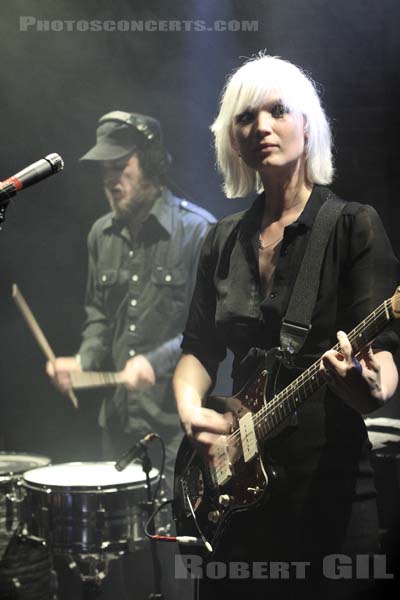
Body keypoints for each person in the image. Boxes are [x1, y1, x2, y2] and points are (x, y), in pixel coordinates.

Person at [173, 55, 399, 598]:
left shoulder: (352, 225)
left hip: (330, 506)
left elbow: (386, 349)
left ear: (308, 124)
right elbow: (198, 350)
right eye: (246, 117)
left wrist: (373, 389)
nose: (262, 127)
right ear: (232, 137)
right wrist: (192, 416)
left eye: (278, 111)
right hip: (238, 503)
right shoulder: (222, 238)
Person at [47, 110, 215, 491]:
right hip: (120, 424)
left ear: (152, 164)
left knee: (172, 543)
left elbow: (207, 330)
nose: (110, 180)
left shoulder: (198, 232)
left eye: (120, 166)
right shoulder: (100, 236)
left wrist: (154, 363)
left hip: (176, 429)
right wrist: (82, 361)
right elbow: (99, 320)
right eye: (104, 170)